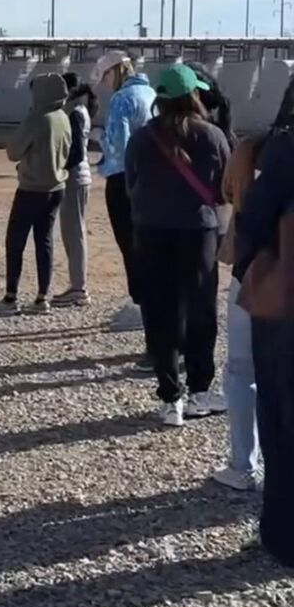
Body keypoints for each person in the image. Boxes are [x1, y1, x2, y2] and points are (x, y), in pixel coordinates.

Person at [125, 65, 230, 427]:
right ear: (194, 95)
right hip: (198, 233)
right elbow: (224, 191)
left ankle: (171, 399)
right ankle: (201, 391)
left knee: (161, 314)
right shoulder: (213, 136)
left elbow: (131, 184)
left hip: (152, 232)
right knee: (201, 311)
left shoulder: (141, 138)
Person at [235, 81, 294, 566]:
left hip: (287, 311)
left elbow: (253, 223)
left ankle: (283, 536)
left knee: (280, 419)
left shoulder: (286, 147)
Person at [211, 130, 264, 491]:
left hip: (257, 271)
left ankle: (244, 464)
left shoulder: (258, 148)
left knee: (243, 369)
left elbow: (230, 195)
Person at [95, 50, 156, 338]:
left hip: (122, 178)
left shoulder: (121, 100)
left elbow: (119, 146)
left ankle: (140, 303)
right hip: (151, 179)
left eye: (104, 76)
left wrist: (101, 140)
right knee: (148, 243)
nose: (104, 83)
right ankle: (152, 303)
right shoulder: (151, 94)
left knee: (129, 244)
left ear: (114, 72)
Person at [0, 74, 71, 313]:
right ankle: (42, 297)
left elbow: (13, 152)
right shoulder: (64, 117)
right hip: (56, 187)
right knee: (45, 241)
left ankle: (10, 297)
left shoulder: (37, 118)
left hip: (31, 188)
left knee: (15, 242)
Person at [55, 72, 98, 307]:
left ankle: (78, 287)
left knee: (74, 233)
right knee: (72, 233)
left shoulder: (75, 113)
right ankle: (76, 285)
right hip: (76, 178)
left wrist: (58, 167)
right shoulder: (79, 111)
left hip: (74, 178)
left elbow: (76, 152)